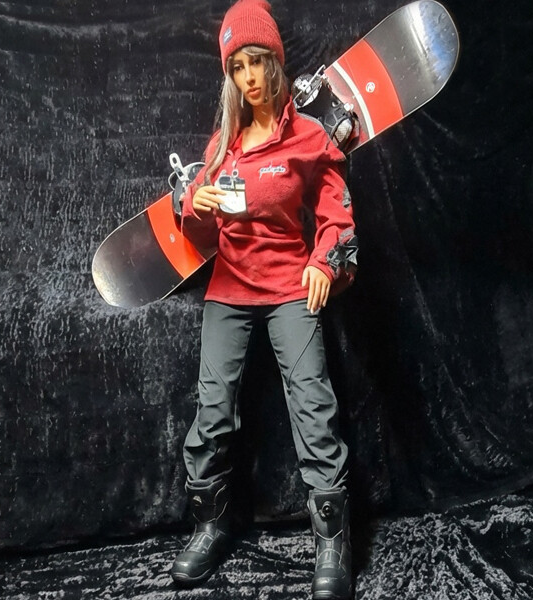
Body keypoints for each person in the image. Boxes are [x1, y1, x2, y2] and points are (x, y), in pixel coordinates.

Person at [170, 1, 358, 599]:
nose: (249, 77)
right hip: (229, 289)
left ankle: (331, 540)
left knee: (313, 406)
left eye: (257, 62)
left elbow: (336, 216)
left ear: (275, 63)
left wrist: (325, 261)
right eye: (238, 67)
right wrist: (194, 206)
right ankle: (210, 525)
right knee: (213, 410)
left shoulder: (309, 138)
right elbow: (201, 235)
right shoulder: (221, 146)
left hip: (288, 289)